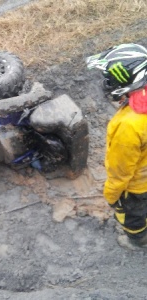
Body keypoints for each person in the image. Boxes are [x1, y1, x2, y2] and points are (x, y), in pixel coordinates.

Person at [86, 43, 147, 250]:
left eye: (110, 78)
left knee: (132, 217)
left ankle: (137, 240)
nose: (107, 82)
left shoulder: (128, 125)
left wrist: (112, 194)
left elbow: (120, 171)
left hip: (138, 186)